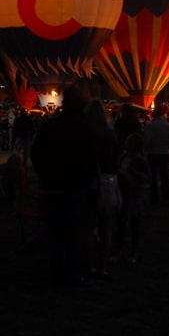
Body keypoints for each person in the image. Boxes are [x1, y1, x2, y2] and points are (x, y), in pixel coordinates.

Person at [31, 86, 98, 287]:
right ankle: (73, 275)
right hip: (76, 188)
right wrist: (86, 179)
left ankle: (56, 272)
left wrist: (46, 176)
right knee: (76, 233)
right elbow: (92, 159)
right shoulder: (85, 128)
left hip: (54, 187)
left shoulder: (50, 127)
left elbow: (36, 154)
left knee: (56, 232)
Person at [85, 98, 119, 278]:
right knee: (106, 227)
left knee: (90, 226)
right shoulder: (110, 134)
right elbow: (116, 159)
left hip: (90, 183)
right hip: (108, 182)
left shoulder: (86, 134)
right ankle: (103, 266)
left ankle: (89, 265)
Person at [114, 132, 148, 264]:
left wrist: (132, 173)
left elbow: (146, 178)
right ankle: (120, 249)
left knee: (134, 223)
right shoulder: (123, 157)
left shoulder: (139, 160)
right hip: (124, 192)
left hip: (134, 194)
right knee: (121, 222)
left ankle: (133, 250)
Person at [143, 104, 169, 206]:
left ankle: (154, 197)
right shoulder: (167, 126)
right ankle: (166, 196)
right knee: (164, 176)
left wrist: (146, 149)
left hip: (153, 153)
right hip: (164, 153)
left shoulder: (150, 126)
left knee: (153, 176)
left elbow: (147, 141)